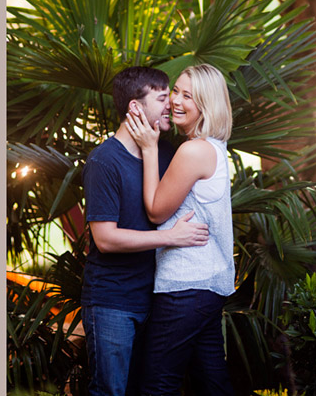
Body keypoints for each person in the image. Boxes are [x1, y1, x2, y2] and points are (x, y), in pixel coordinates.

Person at [81, 66, 211, 396]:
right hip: (113, 301)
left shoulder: (168, 153)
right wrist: (171, 237)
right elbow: (105, 239)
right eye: (162, 98)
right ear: (135, 108)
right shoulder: (104, 161)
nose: (171, 105)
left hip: (159, 298)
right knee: (111, 391)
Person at [126, 63, 235, 396]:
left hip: (185, 287)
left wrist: (148, 148)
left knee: (157, 385)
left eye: (188, 95)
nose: (175, 100)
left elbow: (157, 210)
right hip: (206, 287)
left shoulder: (194, 150)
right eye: (175, 90)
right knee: (212, 384)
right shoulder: (214, 148)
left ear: (206, 105)